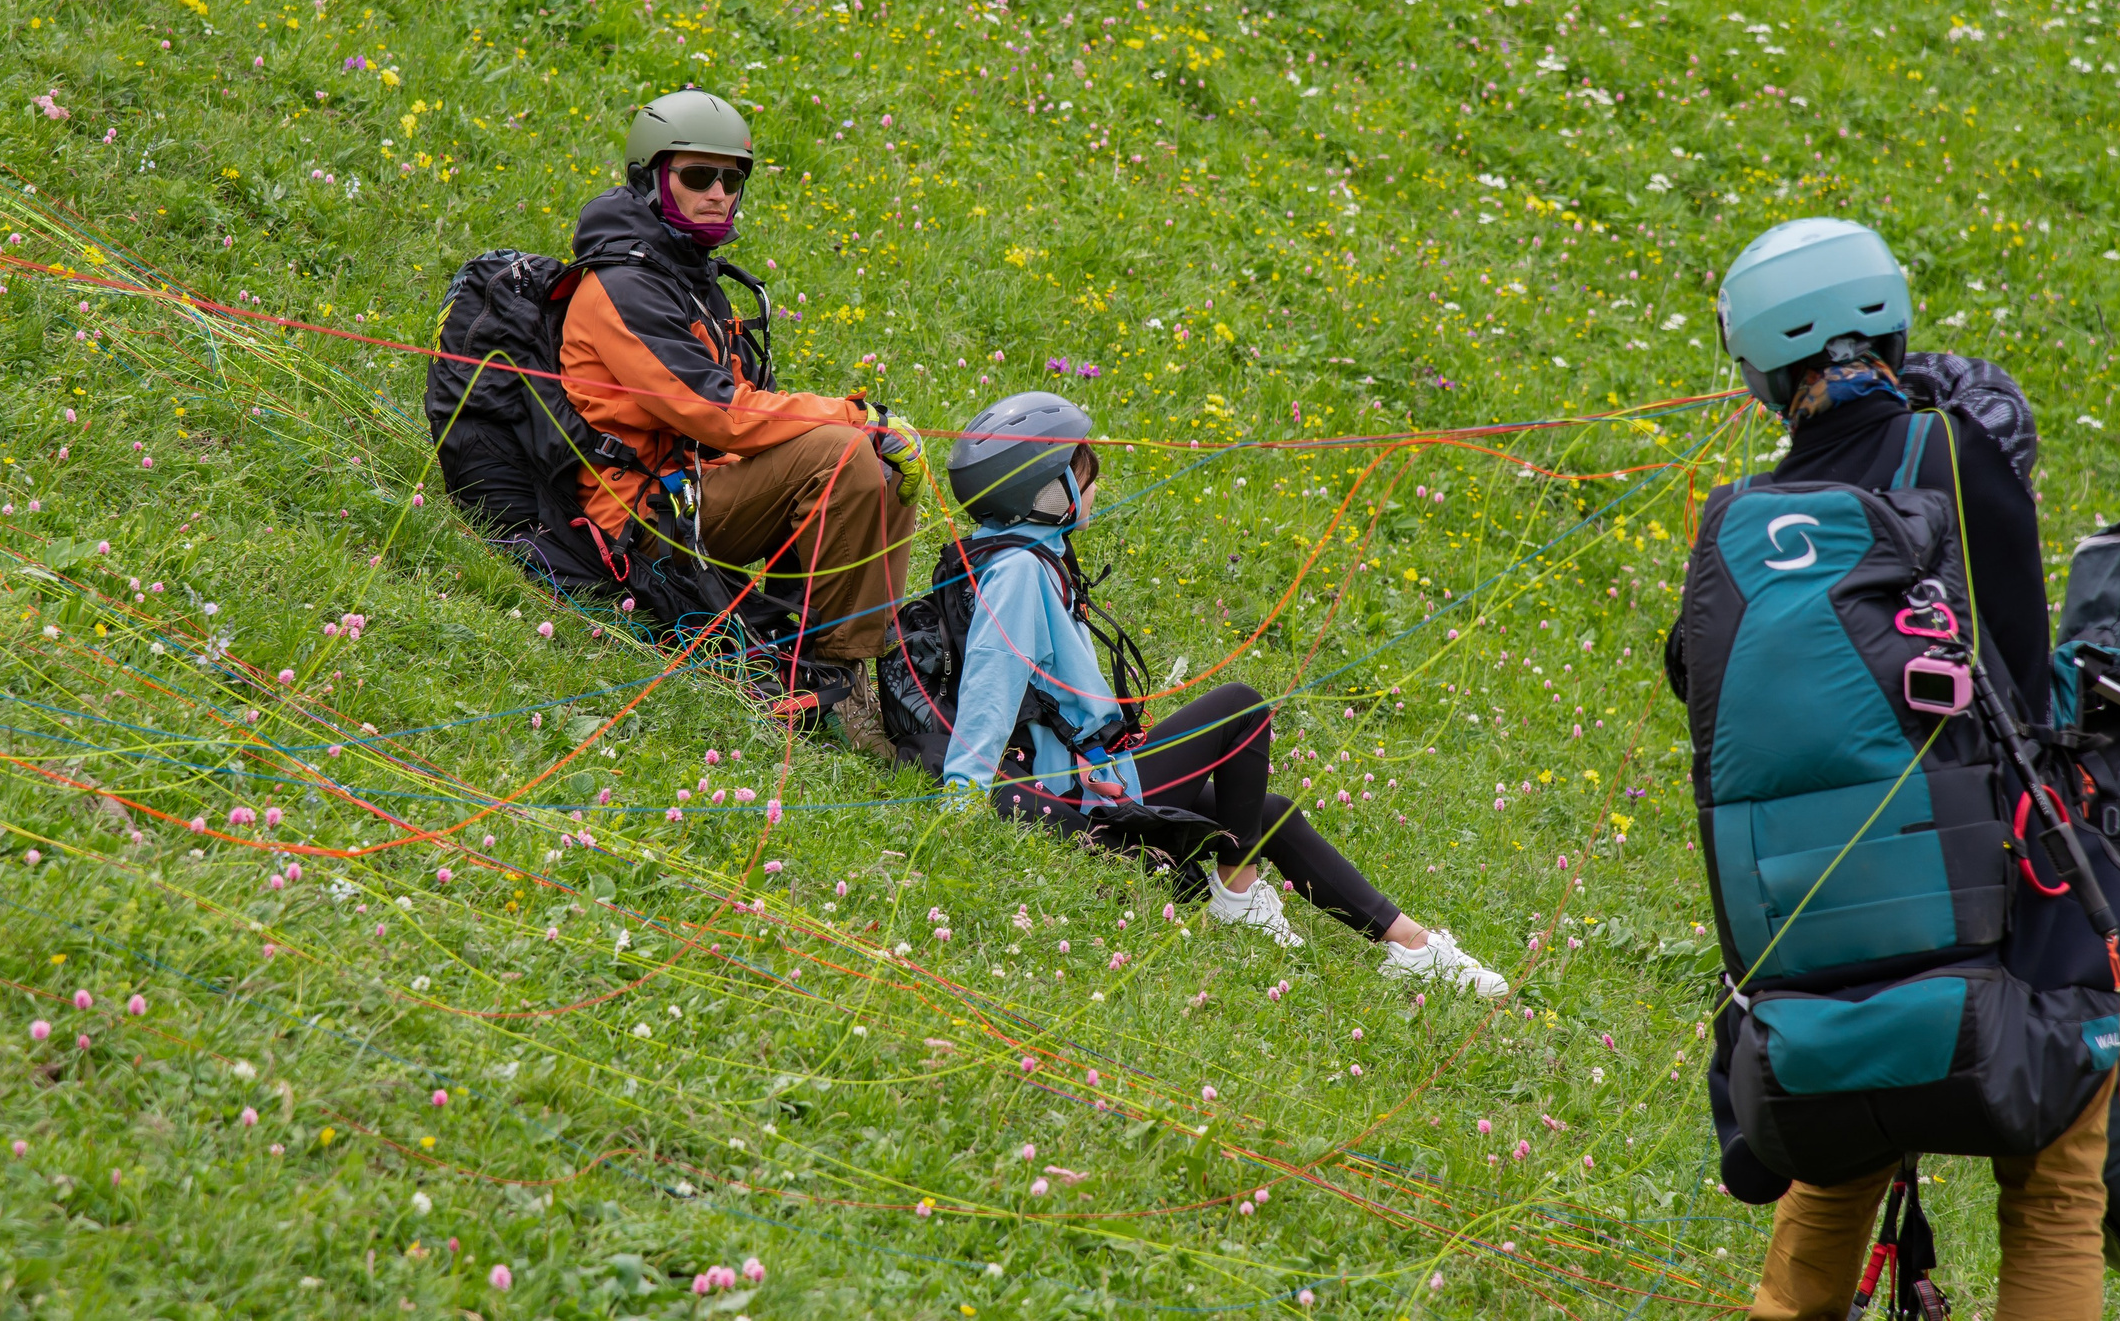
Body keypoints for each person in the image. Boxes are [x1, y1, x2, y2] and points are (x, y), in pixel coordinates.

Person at [1676, 218, 2110, 1321]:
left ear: (1763, 367)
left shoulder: (1741, 520)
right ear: (1891, 327)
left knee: (1837, 1167)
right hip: (1995, 919)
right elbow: (2022, 676)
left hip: (1817, 949)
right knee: (2055, 1193)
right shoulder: (1953, 452)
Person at [936, 391, 1509, 995]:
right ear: (1048, 495)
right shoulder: (1018, 573)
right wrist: (961, 799)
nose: (1095, 487)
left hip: (1097, 769)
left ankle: (1414, 947)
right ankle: (1237, 894)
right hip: (1082, 796)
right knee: (1241, 705)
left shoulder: (1035, 554)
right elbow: (991, 688)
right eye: (1084, 476)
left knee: (1269, 813)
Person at [558, 90, 927, 730]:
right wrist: (853, 416)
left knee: (880, 464)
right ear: (650, 179)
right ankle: (833, 685)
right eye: (699, 176)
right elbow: (718, 414)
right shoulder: (624, 286)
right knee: (843, 450)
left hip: (696, 488)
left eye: (731, 180)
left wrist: (863, 431)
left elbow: (736, 416)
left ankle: (844, 658)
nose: (718, 193)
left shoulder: (685, 275)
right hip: (640, 517)